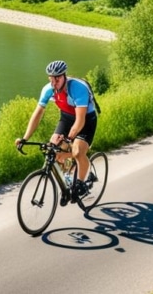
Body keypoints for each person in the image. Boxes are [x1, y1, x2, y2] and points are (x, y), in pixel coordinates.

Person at [15, 60, 98, 201]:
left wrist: (69, 138)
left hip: (86, 120)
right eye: (51, 79)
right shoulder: (48, 89)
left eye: (57, 79)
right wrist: (25, 138)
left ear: (64, 76)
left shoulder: (77, 89)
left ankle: (82, 182)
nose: (54, 83)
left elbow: (80, 120)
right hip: (66, 118)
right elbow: (37, 114)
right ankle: (67, 177)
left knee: (77, 151)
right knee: (54, 150)